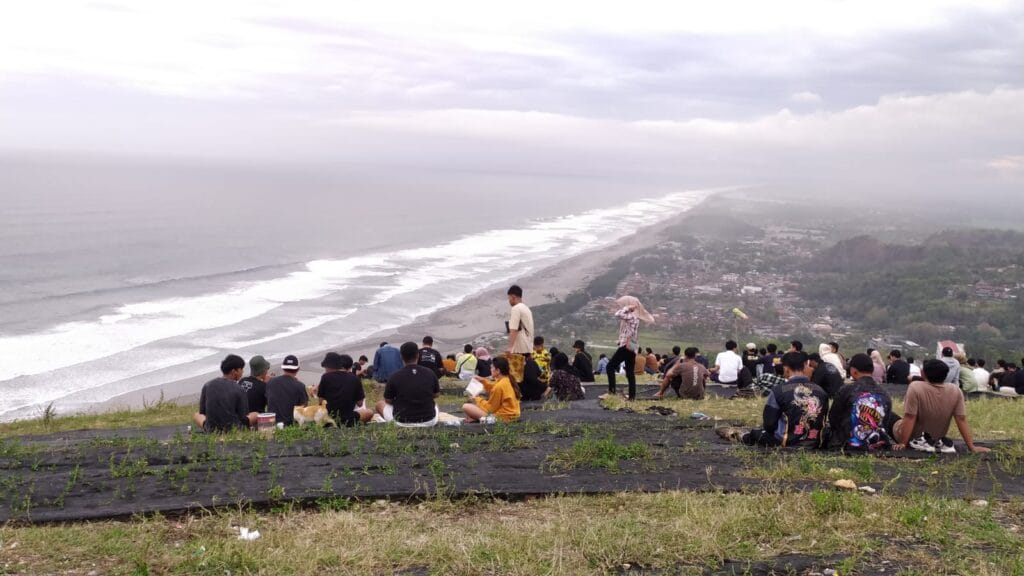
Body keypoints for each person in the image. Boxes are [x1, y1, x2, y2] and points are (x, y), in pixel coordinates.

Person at [893, 359, 990, 454]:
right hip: (937, 438)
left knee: (891, 417)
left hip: (915, 439)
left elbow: (910, 417)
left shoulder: (916, 387)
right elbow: (961, 419)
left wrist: (903, 443)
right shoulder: (955, 390)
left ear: (922, 373)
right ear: (945, 375)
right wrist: (971, 447)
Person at [741, 351, 828, 447]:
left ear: (786, 369)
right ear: (804, 367)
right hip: (815, 442)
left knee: (755, 434)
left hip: (787, 441)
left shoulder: (778, 391)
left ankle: (742, 436)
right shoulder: (821, 391)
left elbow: (769, 424)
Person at [826, 353, 895, 451]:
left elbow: (833, 418)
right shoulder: (885, 393)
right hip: (877, 446)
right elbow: (885, 422)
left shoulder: (846, 390)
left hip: (847, 445)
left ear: (853, 371)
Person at [375, 342, 440, 427]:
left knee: (379, 404)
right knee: (435, 404)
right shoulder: (430, 373)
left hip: (401, 422)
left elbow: (388, 400)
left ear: (401, 357)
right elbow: (436, 395)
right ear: (418, 355)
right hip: (429, 421)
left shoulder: (394, 376)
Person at [604, 295, 654, 400]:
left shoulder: (632, 317)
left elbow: (618, 314)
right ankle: (632, 396)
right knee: (630, 372)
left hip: (626, 346)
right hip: (632, 347)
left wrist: (628, 308)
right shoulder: (634, 318)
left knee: (610, 367)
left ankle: (612, 392)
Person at [194, 354, 258, 432]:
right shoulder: (238, 388)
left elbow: (202, 412)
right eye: (241, 369)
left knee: (197, 415)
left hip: (211, 429)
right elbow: (243, 416)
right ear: (234, 371)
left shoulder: (207, 385)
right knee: (255, 414)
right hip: (234, 429)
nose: (243, 371)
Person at [316, 352, 372, 426]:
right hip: (348, 418)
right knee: (369, 412)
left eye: (325, 367)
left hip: (329, 417)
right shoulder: (354, 378)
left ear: (329, 366)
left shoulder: (325, 377)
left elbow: (321, 402)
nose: (325, 370)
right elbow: (360, 403)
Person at [463, 356, 521, 423]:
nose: (490, 369)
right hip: (513, 415)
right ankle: (476, 418)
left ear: (498, 370)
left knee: (466, 406)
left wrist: (476, 399)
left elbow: (490, 409)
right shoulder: (507, 379)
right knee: (477, 406)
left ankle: (479, 418)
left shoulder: (499, 386)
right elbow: (493, 385)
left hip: (504, 418)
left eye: (492, 367)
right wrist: (483, 380)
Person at [266, 355, 309, 426]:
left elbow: (268, 399)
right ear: (298, 369)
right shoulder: (300, 386)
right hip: (291, 425)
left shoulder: (271, 382)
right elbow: (304, 407)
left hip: (272, 424)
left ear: (283, 368)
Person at [506, 284, 534, 384]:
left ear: (513, 297)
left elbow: (514, 330)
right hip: (527, 346)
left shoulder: (516, 308)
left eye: (509, 298)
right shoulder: (526, 309)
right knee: (526, 375)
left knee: (517, 377)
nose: (509, 301)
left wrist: (510, 348)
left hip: (519, 347)